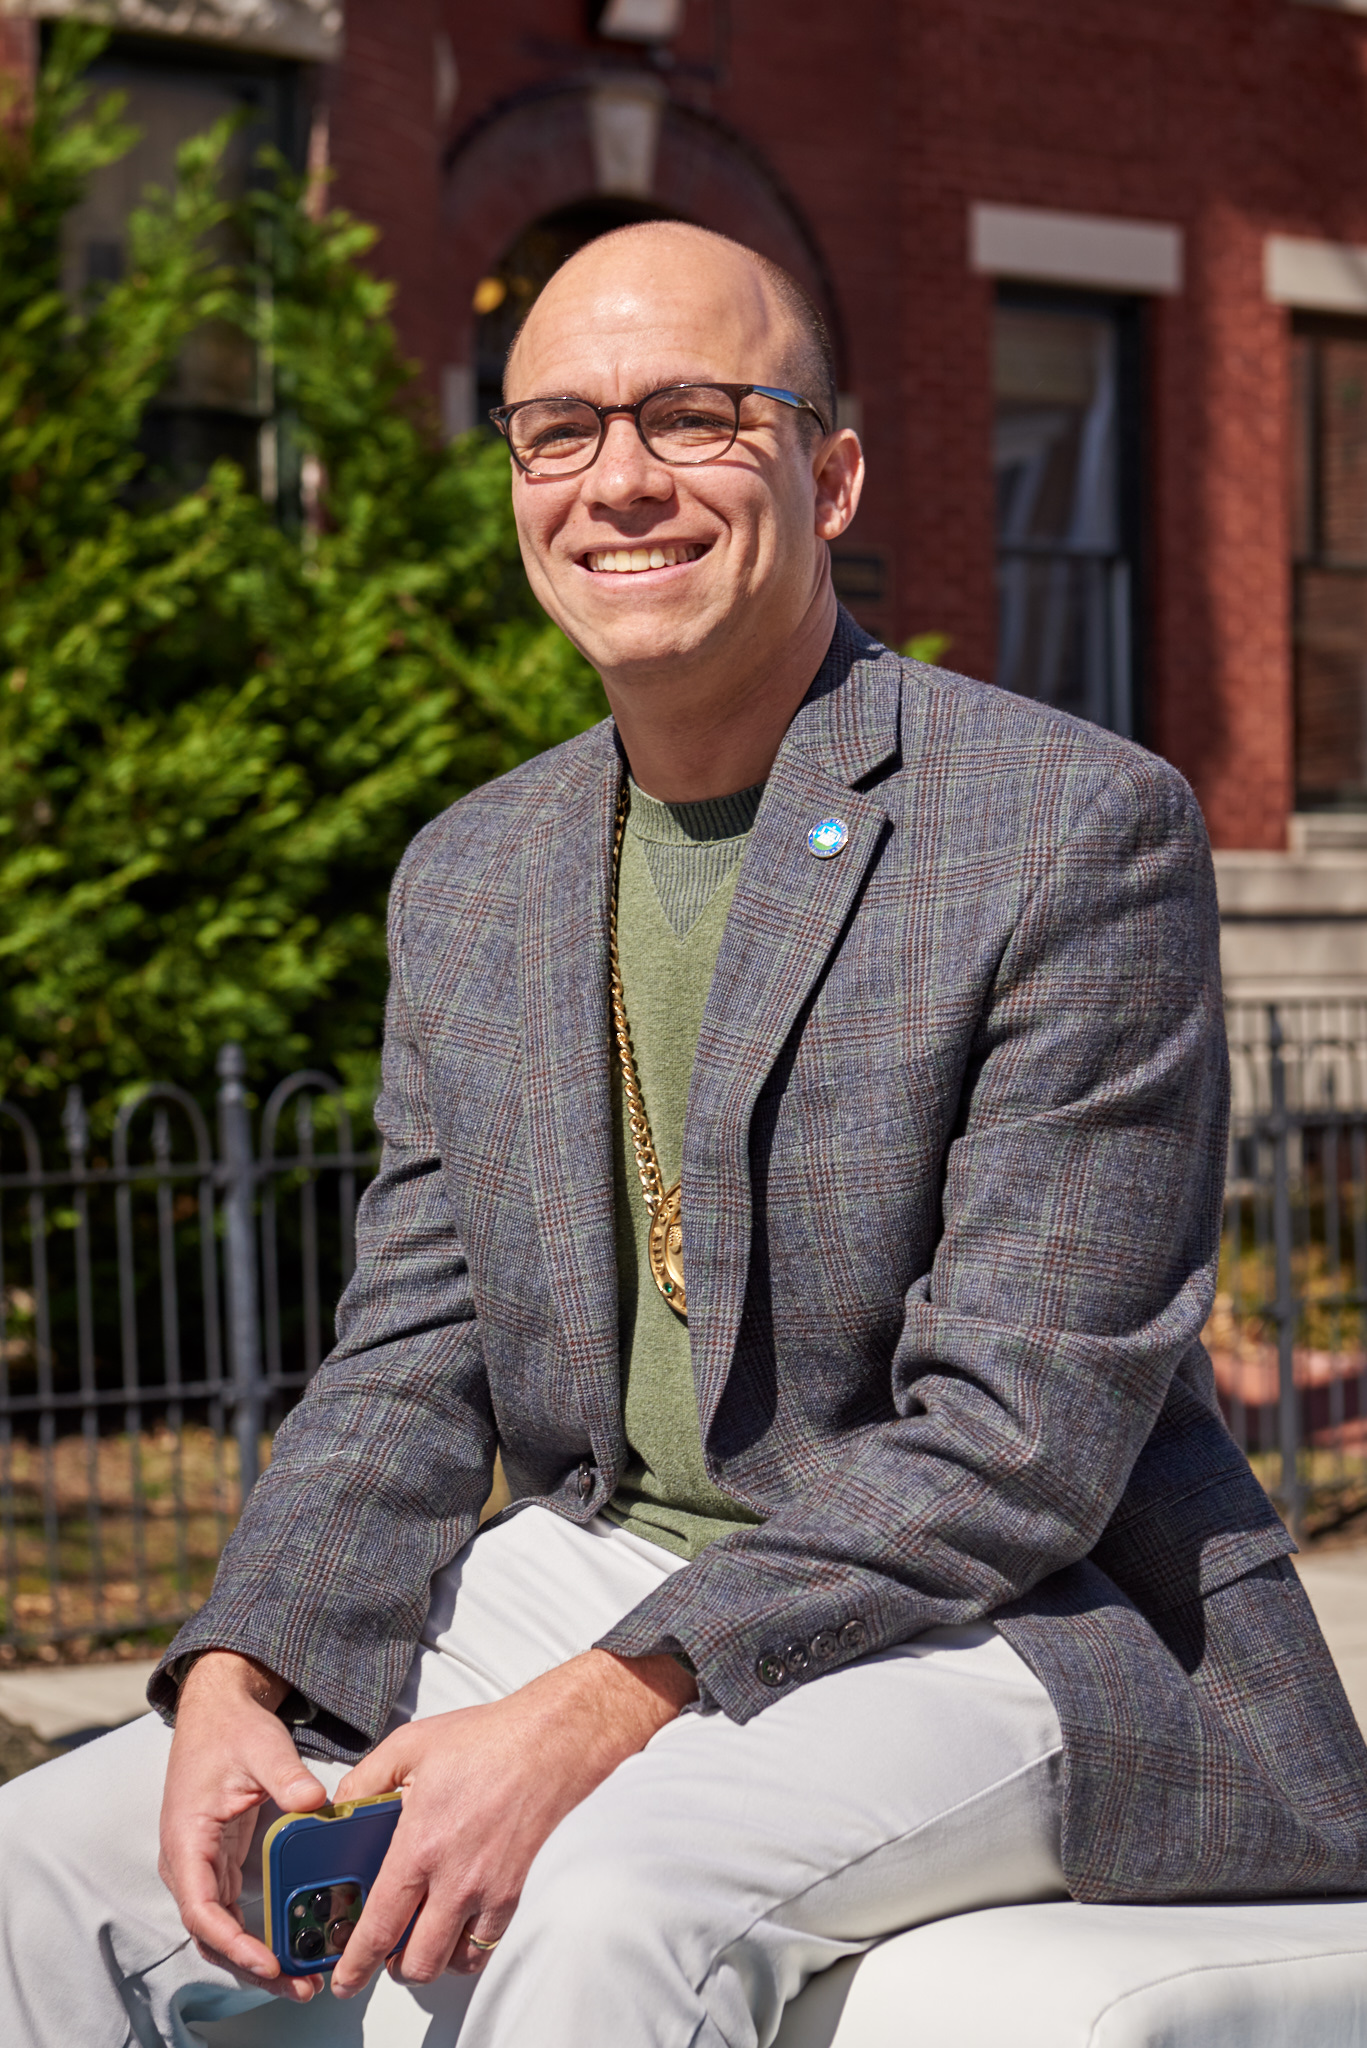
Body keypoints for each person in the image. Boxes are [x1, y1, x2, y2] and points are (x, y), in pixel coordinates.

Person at [2, 220, 1365, 2048]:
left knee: (603, 1904)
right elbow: (407, 1359)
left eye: (696, 415)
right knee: (34, 1870)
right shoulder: (478, 868)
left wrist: (585, 1713)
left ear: (832, 466)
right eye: (559, 430)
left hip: (1009, 1620)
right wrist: (242, 1675)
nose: (619, 480)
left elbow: (1019, 1440)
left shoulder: (1068, 826)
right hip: (593, 1561)